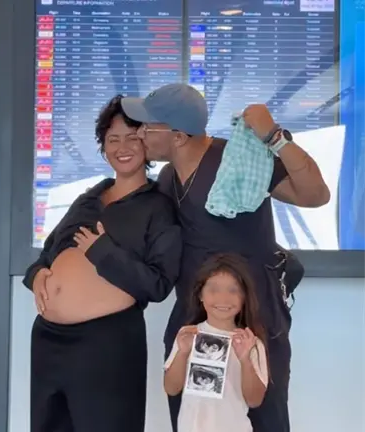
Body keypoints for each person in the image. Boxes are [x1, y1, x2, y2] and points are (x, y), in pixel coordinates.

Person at [120, 83, 330, 432]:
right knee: (195, 418)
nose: (140, 134)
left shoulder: (237, 161)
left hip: (253, 317)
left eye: (147, 127)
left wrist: (274, 137)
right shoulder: (169, 177)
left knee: (262, 415)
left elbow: (315, 195)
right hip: (196, 318)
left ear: (177, 136)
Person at [22, 95, 182, 431]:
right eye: (113, 139)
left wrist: (103, 251)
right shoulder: (89, 197)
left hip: (106, 344)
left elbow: (158, 285)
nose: (122, 147)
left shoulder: (158, 207)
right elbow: (47, 254)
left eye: (132, 137)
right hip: (49, 341)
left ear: (147, 142)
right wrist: (36, 276)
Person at [164, 253, 269, 432]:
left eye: (233, 290)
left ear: (244, 297)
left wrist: (245, 360)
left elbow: (254, 400)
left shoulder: (250, 342)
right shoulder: (188, 335)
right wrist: (182, 353)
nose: (223, 298)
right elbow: (171, 389)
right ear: (200, 294)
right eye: (213, 289)